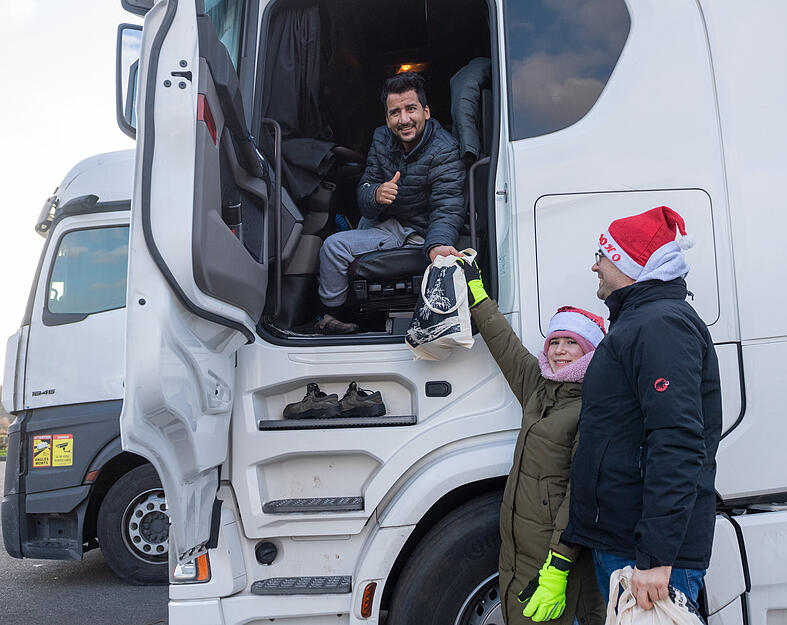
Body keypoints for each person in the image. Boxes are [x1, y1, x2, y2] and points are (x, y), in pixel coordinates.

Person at [561, 206, 722, 611]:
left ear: (624, 262)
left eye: (601, 255)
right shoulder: (638, 321)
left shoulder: (660, 325)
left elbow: (678, 443)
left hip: (645, 557)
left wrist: (654, 558)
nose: (594, 266)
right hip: (624, 544)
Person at [460, 260, 607, 625]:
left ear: (589, 351)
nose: (558, 350)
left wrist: (558, 565)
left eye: (571, 343)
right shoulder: (539, 389)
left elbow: (581, 494)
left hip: (555, 553)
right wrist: (477, 295)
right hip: (520, 547)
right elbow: (504, 345)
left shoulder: (591, 406)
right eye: (554, 341)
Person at [313, 71, 466, 334]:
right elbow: (364, 190)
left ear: (426, 111)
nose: (404, 119)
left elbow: (447, 207)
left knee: (335, 247)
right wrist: (375, 194)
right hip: (385, 223)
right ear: (387, 118)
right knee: (336, 244)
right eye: (395, 112)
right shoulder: (382, 138)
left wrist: (438, 244)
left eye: (411, 109)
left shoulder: (445, 150)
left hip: (420, 230)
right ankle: (334, 317)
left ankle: (341, 315)